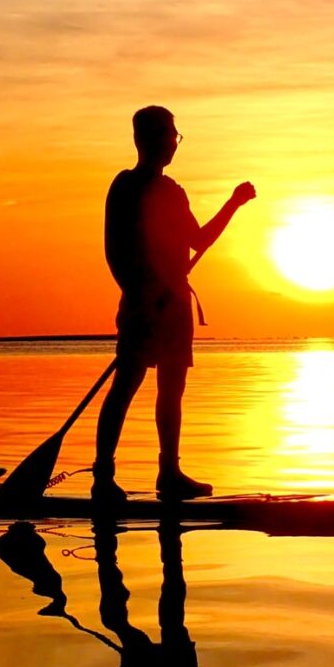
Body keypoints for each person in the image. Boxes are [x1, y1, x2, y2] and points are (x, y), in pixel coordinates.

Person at [93, 105, 255, 503]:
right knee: (125, 385)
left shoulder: (173, 192)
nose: (173, 143)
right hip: (142, 306)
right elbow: (114, 250)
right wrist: (140, 297)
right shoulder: (126, 186)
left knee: (172, 388)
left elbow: (199, 241)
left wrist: (233, 204)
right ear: (145, 139)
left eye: (175, 136)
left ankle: (169, 472)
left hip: (177, 304)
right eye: (168, 135)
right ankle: (103, 476)